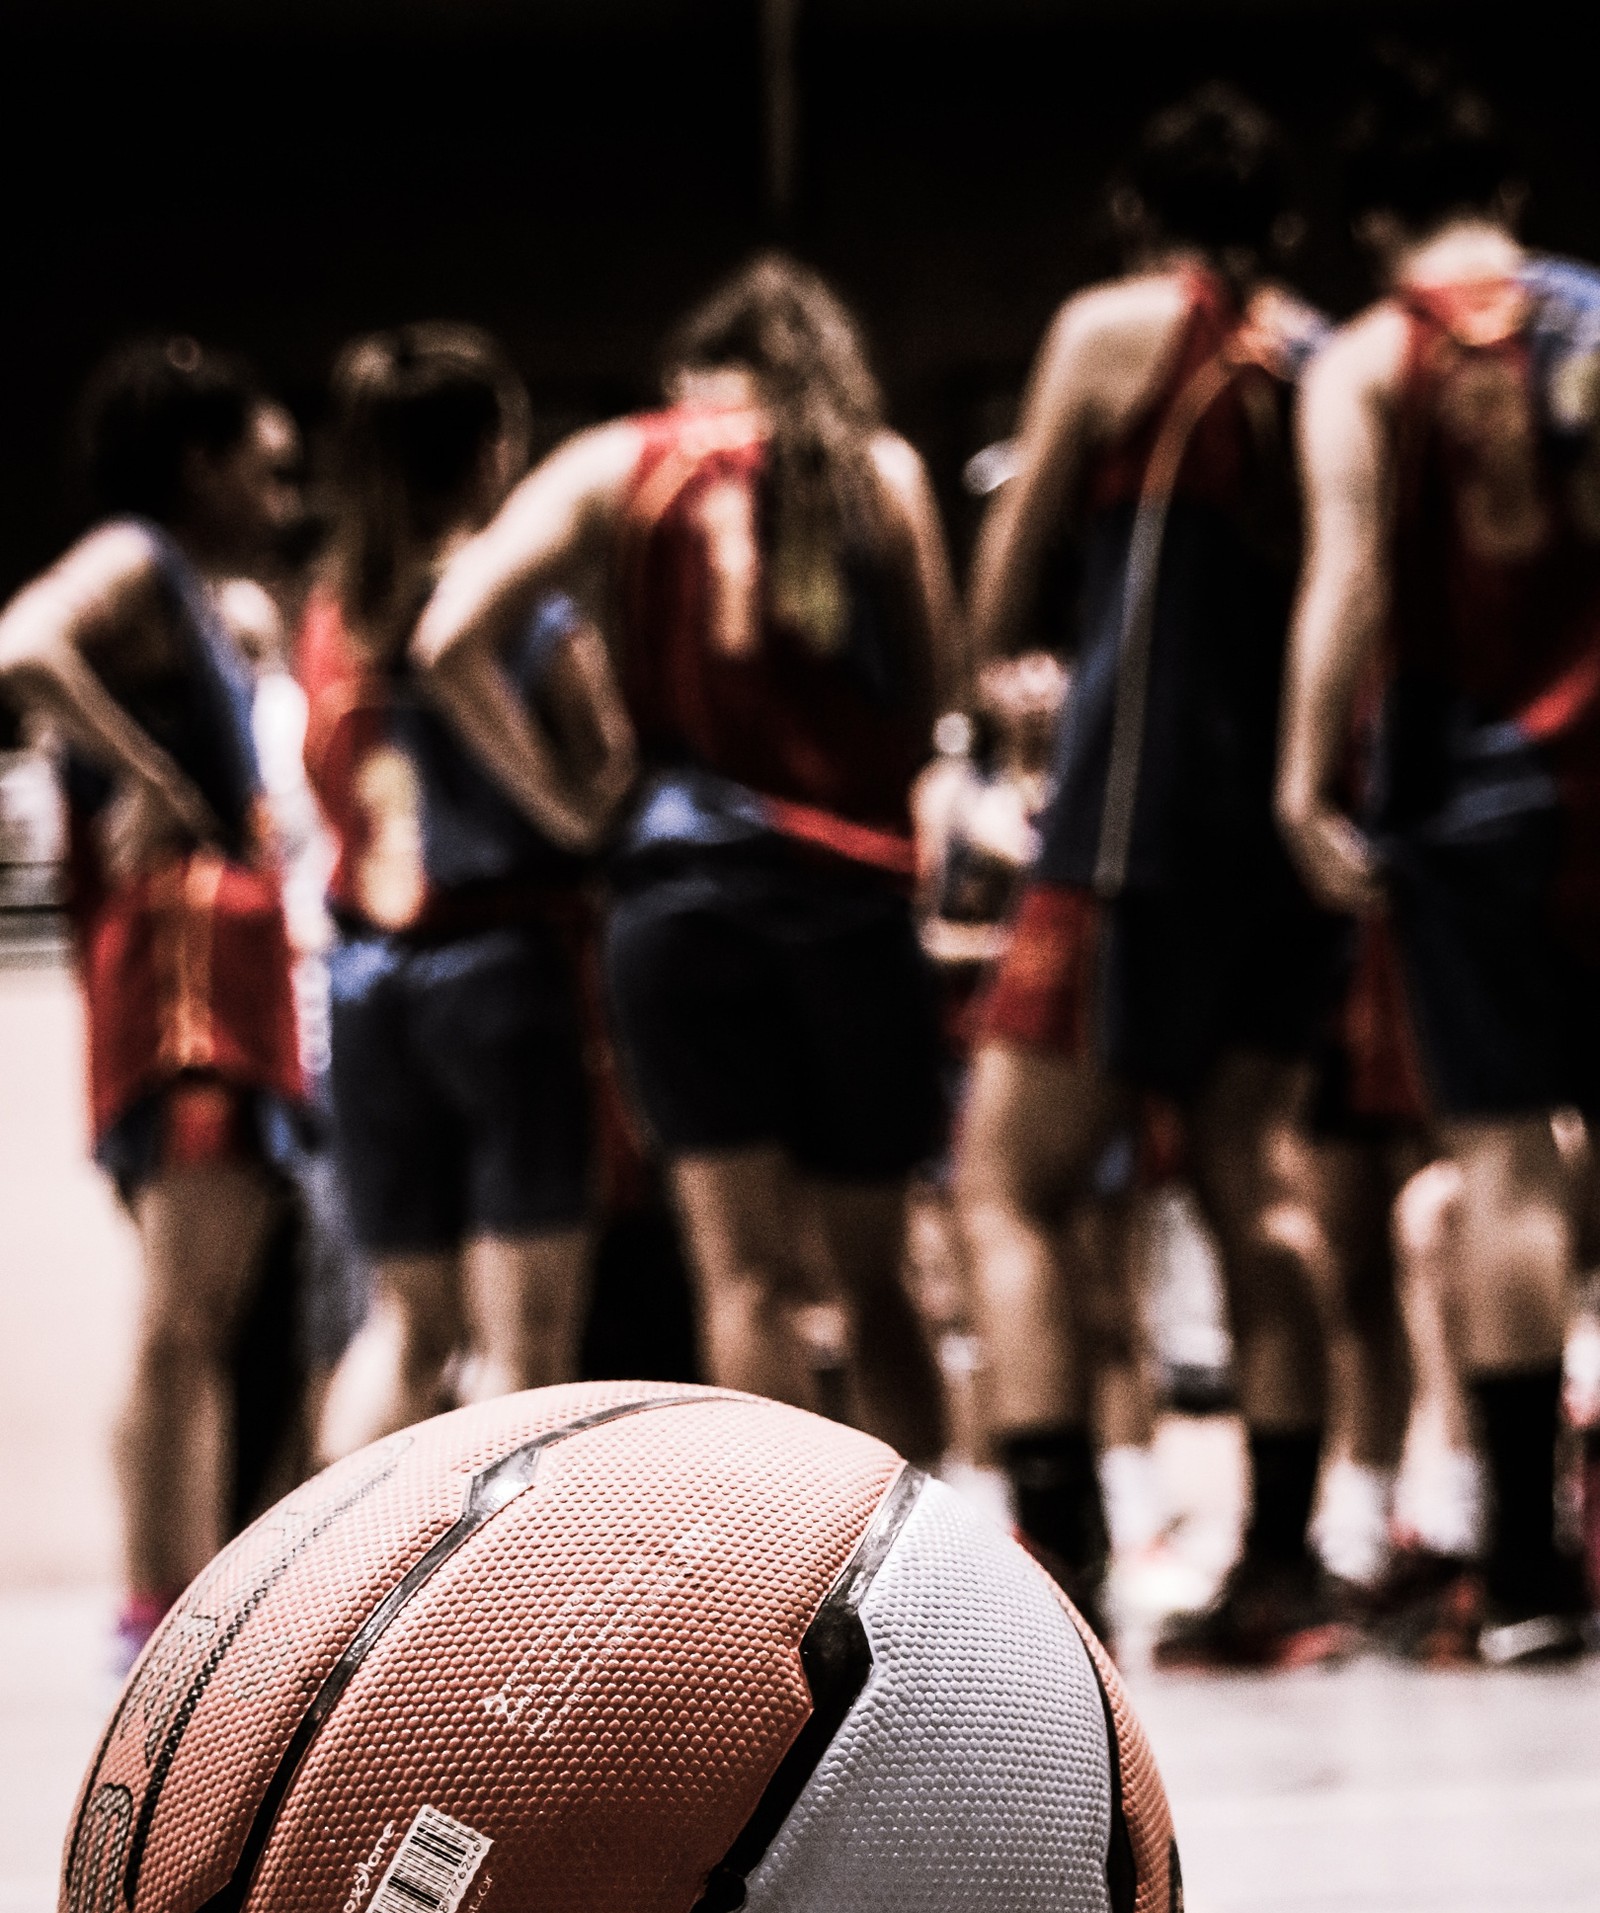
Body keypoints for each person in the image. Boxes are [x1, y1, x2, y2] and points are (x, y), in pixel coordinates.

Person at [412, 254, 958, 1463]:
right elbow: (932, 704)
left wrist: (572, 813)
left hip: (682, 901)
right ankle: (937, 1578)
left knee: (745, 1278)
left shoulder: (619, 459)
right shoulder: (881, 469)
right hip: (849, 898)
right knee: (879, 1278)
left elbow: (449, 634)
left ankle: (777, 1586)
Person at [957, 87, 1347, 1660]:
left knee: (1010, 1185)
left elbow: (1014, 558)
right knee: (1258, 1186)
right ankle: (1282, 1565)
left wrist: (1007, 669)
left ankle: (1062, 1577)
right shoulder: (1324, 354)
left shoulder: (1117, 328)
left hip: (1128, 831)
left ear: (1138, 215)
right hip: (1283, 833)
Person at [1278, 51, 1600, 1662]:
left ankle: (1531, 1574)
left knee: (1503, 1170)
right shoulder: (1590, 317)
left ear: (1374, 224)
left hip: (1466, 800)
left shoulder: (1365, 358)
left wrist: (1296, 777)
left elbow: (1344, 577)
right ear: (1510, 198)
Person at [0, 337, 305, 1666]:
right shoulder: (135, 558)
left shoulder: (190, 587)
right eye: (264, 464)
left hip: (204, 966)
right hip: (187, 968)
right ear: (201, 462)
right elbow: (20, 647)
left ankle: (174, 1603)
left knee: (210, 1309)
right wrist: (153, 779)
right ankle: (159, 1614)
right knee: (188, 1312)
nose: (280, 493)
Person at [297, 325, 632, 1456]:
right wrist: (577, 821)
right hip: (504, 969)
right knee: (527, 1349)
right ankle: (503, 1623)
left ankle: (339, 1603)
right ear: (495, 450)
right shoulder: (517, 609)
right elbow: (607, 776)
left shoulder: (333, 614)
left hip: (365, 973)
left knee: (404, 1327)